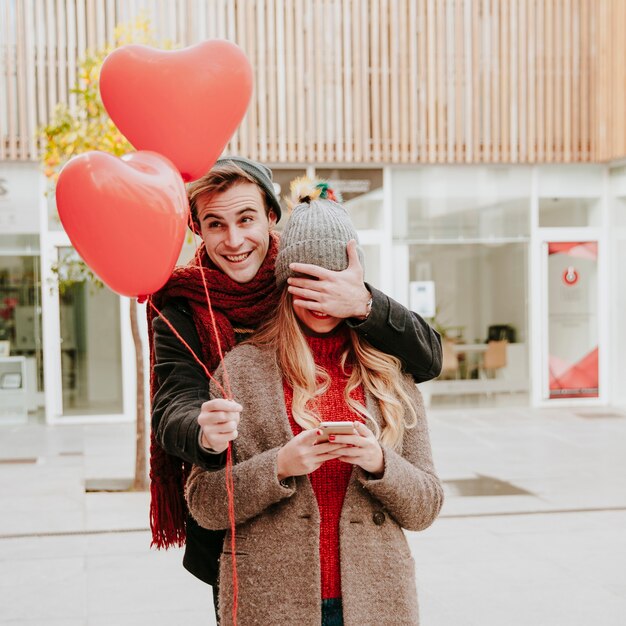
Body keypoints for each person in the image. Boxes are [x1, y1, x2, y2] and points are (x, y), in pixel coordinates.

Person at [148, 157, 442, 606]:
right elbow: (174, 409)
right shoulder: (189, 313)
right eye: (215, 224)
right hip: (256, 569)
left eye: (246, 218)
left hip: (370, 589)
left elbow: (424, 357)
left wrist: (363, 302)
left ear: (270, 218)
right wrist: (205, 433)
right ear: (199, 231)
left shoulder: (319, 264)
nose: (234, 240)